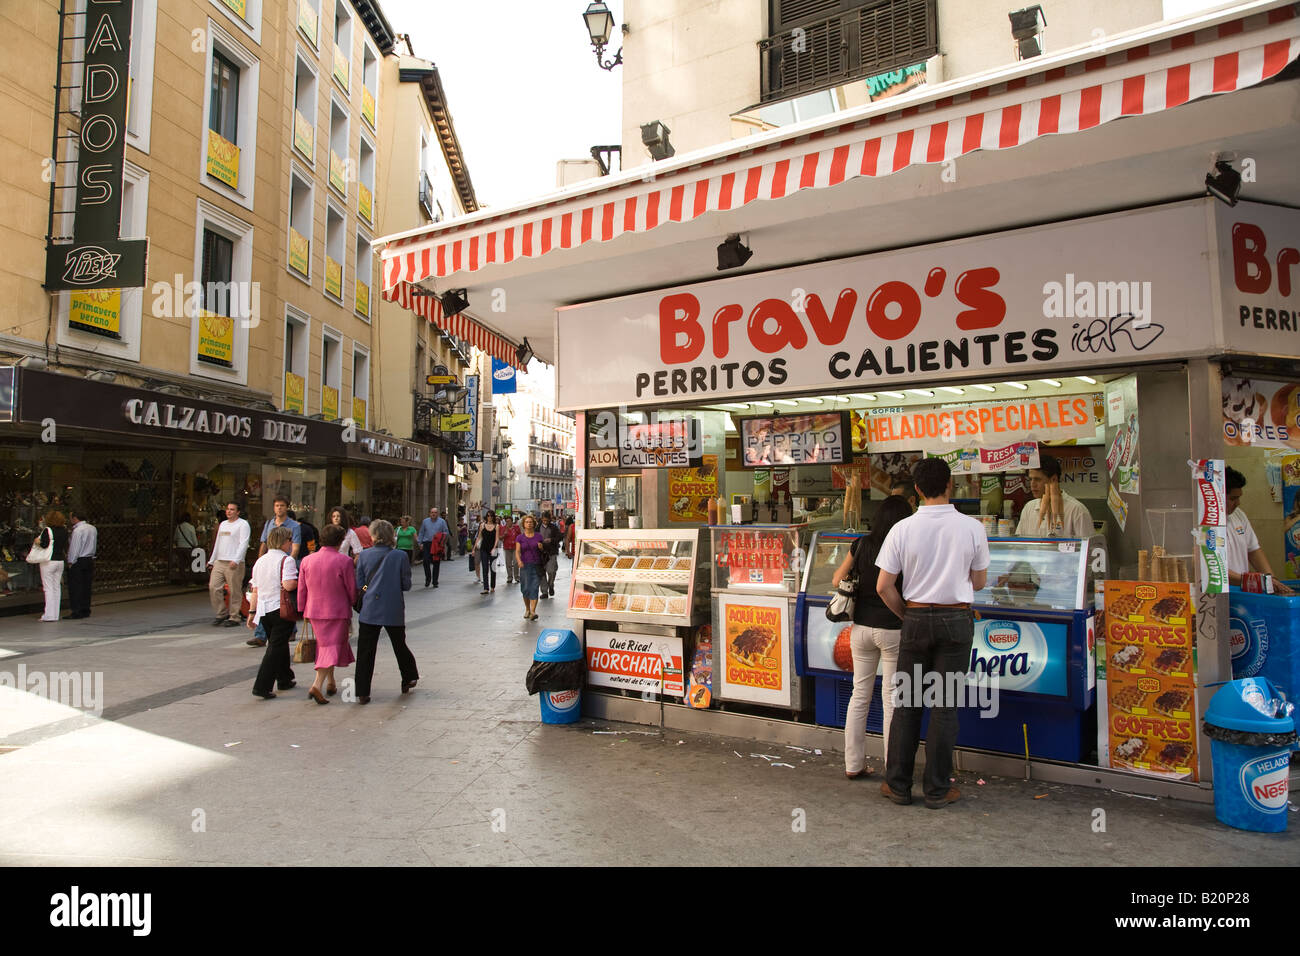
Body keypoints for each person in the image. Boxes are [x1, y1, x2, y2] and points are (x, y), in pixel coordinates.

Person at [875, 457, 989, 809]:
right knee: (944, 707)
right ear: (950, 485)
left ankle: (898, 785)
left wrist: (908, 614)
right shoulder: (972, 528)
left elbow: (884, 586)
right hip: (956, 623)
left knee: (907, 704)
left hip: (916, 621)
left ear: (918, 490)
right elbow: (980, 582)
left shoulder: (902, 529)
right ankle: (938, 790)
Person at [831, 495, 912, 779]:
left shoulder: (861, 544)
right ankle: (893, 767)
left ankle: (853, 764)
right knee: (891, 699)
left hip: (861, 629)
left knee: (859, 694)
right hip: (892, 629)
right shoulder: (903, 546)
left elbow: (835, 579)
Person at [354, 519, 419, 704]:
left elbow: (360, 583)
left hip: (370, 608)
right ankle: (409, 676)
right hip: (393, 608)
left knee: (366, 650)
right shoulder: (400, 556)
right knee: (399, 645)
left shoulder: (364, 556)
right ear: (392, 536)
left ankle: (362, 691)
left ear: (373, 536)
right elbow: (406, 585)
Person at [296, 523, 357, 705]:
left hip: (314, 610)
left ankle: (331, 682)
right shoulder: (344, 561)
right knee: (331, 648)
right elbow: (352, 589)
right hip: (337, 611)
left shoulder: (307, 560)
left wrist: (302, 608)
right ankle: (317, 684)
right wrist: (356, 598)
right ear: (339, 541)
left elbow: (302, 588)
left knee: (325, 646)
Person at [247, 526, 299, 700]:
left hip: (264, 609)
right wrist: (300, 582)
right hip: (281, 608)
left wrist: (252, 612)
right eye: (289, 540)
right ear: (284, 542)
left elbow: (255, 589)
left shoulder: (260, 561)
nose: (291, 543)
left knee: (279, 644)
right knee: (276, 647)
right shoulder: (287, 560)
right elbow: (289, 584)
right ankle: (262, 685)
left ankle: (284, 677)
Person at [1225, 467, 1294, 594]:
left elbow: (1253, 550)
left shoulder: (1238, 515)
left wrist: (1271, 580)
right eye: (1233, 499)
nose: (1238, 503)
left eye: (1239, 497)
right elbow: (1212, 569)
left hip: (1243, 592)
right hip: (1220, 593)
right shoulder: (1205, 523)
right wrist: (1256, 581)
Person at [1016, 454, 1093, 539]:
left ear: (1053, 479)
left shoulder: (1076, 510)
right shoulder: (1029, 508)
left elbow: (1088, 548)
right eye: (1030, 479)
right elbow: (1018, 544)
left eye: (1037, 479)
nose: (1032, 484)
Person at [207, 501, 250, 627]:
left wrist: (236, 560)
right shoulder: (223, 525)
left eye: (232, 509)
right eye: (227, 509)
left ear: (238, 512)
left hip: (234, 562)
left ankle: (234, 616)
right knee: (213, 586)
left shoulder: (243, 524)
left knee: (234, 590)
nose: (229, 511)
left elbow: (244, 543)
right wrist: (212, 560)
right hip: (220, 561)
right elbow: (218, 543)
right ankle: (221, 613)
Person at [33, 510, 69, 623]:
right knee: (56, 587)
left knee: (48, 588)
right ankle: (55, 614)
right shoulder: (64, 530)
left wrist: (37, 541)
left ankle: (48, 615)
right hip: (60, 561)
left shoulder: (47, 530)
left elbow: (44, 545)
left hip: (49, 561)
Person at [65, 510, 97, 620]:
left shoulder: (77, 530)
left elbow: (75, 547)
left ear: (75, 518)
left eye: (70, 517)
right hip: (89, 558)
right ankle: (85, 609)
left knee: (76, 586)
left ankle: (76, 611)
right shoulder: (92, 528)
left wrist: (70, 561)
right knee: (86, 586)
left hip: (78, 560)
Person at [516, 514, 545, 621]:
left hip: (536, 564)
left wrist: (541, 548)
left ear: (534, 524)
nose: (529, 524)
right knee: (525, 588)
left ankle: (533, 611)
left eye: (531, 522)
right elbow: (517, 551)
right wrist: (519, 561)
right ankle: (527, 609)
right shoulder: (520, 537)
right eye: (527, 522)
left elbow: (543, 551)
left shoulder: (538, 536)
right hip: (524, 565)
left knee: (535, 587)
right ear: (523, 524)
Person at [257, 494, 301, 560]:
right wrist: (260, 560)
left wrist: (288, 562)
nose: (279, 508)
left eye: (282, 505)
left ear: (287, 508)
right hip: (270, 561)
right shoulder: (269, 524)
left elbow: (295, 548)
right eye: (277, 506)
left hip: (285, 560)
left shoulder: (295, 526)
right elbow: (264, 544)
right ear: (274, 508)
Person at [417, 506, 449, 587]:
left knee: (436, 563)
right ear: (429, 513)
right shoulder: (425, 521)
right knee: (426, 561)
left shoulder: (442, 522)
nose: (433, 514)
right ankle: (428, 578)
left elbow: (446, 532)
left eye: (435, 512)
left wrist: (442, 542)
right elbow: (421, 532)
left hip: (437, 545)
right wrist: (420, 543)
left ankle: (435, 581)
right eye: (432, 512)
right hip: (427, 543)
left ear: (437, 514)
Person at [539, 513, 563, 599]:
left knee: (551, 571)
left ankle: (551, 584)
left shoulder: (553, 527)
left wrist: (551, 540)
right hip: (540, 552)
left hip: (551, 552)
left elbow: (560, 536)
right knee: (541, 573)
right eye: (543, 520)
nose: (545, 522)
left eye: (547, 520)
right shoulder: (537, 527)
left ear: (549, 519)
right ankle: (544, 591)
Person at [474, 510, 499, 594]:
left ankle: (492, 586)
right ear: (486, 516)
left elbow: (497, 538)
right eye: (488, 516)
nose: (490, 517)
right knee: (485, 568)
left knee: (493, 568)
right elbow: (479, 537)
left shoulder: (496, 526)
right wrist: (474, 548)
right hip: (484, 548)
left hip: (493, 549)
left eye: (491, 516)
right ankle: (486, 588)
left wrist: (494, 548)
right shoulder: (482, 525)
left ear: (493, 517)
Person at [500, 515, 520, 585]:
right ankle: (509, 577)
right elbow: (500, 538)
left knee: (515, 562)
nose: (507, 523)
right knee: (508, 563)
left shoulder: (516, 527)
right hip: (507, 547)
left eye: (509, 521)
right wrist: (504, 535)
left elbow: (520, 536)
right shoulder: (503, 528)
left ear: (512, 521)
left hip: (515, 547)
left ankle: (517, 577)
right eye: (506, 521)